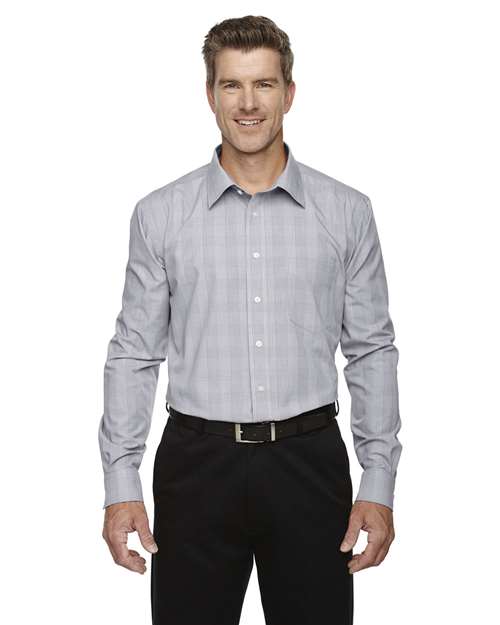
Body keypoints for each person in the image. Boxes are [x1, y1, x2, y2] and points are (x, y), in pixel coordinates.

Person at [98, 14, 402, 625]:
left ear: (289, 92)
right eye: (232, 85)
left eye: (263, 84)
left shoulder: (346, 212)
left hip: (309, 463)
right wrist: (121, 483)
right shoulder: (161, 215)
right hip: (195, 466)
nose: (248, 103)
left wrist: (378, 481)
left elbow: (371, 351)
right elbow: (134, 353)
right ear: (210, 95)